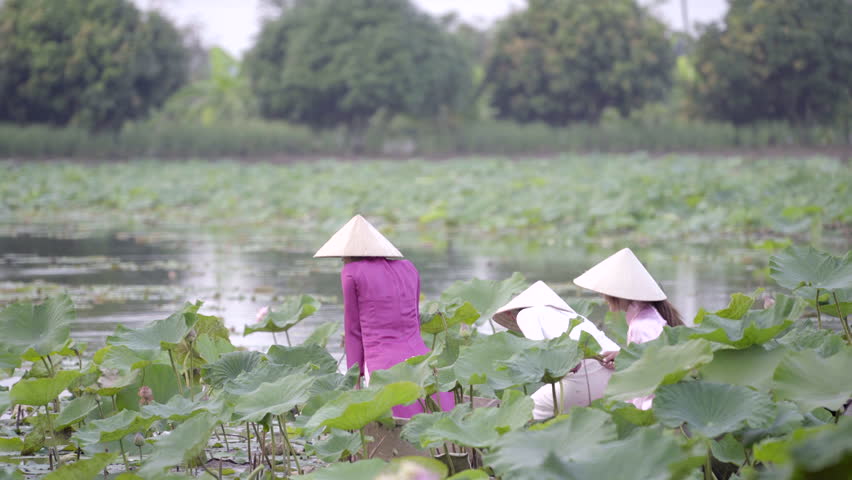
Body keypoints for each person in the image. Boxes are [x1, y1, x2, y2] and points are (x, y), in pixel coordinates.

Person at [314, 214, 454, 418]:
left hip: (382, 363)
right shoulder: (409, 268)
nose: (342, 259)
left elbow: (353, 330)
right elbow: (414, 319)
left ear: (350, 254)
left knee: (392, 418)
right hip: (423, 359)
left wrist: (355, 377)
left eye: (343, 256)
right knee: (434, 418)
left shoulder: (351, 272)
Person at [573, 247, 683, 410]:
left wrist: (628, 363)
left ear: (616, 292)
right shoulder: (648, 315)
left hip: (655, 406)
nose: (603, 297)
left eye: (603, 292)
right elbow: (648, 357)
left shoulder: (643, 326)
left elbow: (658, 369)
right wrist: (624, 358)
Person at [492, 281, 620, 420]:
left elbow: (537, 350)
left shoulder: (526, 314)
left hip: (584, 375)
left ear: (511, 314)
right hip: (616, 371)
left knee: (524, 413)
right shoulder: (573, 317)